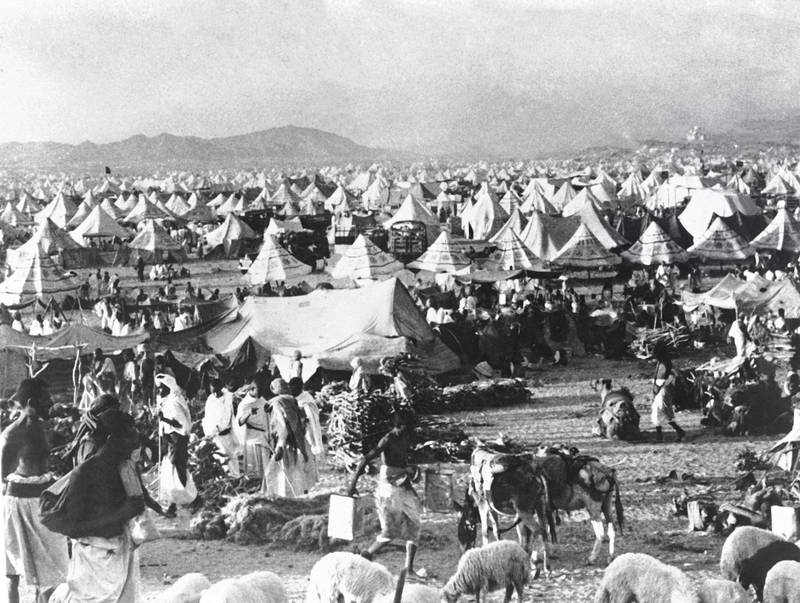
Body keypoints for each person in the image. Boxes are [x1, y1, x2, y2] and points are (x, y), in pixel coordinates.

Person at [48, 411, 144, 603]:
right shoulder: (84, 474)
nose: (135, 444)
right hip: (93, 559)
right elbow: (72, 528)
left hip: (120, 553)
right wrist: (121, 515)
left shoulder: (125, 469)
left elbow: (136, 505)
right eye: (129, 437)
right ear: (111, 439)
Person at [0, 378, 69, 603]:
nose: (51, 403)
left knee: (52, 572)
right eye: (45, 400)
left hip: (42, 503)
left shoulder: (43, 427)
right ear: (31, 402)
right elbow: (2, 476)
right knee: (12, 574)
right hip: (18, 505)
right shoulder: (11, 435)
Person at [347, 408, 424, 576]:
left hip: (403, 485)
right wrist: (353, 484)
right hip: (388, 488)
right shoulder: (388, 439)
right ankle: (366, 556)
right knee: (390, 532)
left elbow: (403, 460)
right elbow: (366, 459)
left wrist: (410, 471)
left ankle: (408, 569)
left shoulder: (406, 437)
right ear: (401, 425)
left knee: (415, 525)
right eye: (406, 426)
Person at [156, 373, 195, 515]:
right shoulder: (168, 401)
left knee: (176, 467)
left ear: (168, 387)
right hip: (173, 439)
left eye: (161, 388)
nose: (159, 391)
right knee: (176, 467)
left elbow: (180, 424)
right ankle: (178, 500)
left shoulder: (174, 403)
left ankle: (180, 500)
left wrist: (164, 420)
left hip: (178, 439)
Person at [263, 379, 308, 497]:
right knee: (294, 470)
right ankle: (297, 495)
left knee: (278, 473)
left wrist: (280, 446)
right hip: (296, 440)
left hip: (284, 442)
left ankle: (284, 497)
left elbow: (282, 425)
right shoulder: (292, 401)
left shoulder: (278, 403)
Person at [201, 379, 241, 477]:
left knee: (233, 457)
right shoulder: (210, 401)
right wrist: (211, 431)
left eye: (217, 391)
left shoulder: (228, 396)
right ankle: (225, 480)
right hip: (218, 435)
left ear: (221, 389)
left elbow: (229, 414)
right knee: (223, 459)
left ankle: (236, 478)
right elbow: (208, 419)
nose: (215, 394)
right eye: (213, 392)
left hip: (229, 433)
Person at [289, 377, 323, 487]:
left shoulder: (306, 399)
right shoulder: (291, 398)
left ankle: (310, 483)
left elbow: (311, 417)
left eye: (296, 387)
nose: (293, 390)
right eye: (292, 387)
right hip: (295, 432)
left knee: (308, 456)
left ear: (301, 387)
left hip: (307, 433)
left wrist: (303, 420)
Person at [650, 342, 685, 442]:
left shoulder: (665, 363)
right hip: (660, 390)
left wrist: (657, 384)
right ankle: (675, 432)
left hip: (663, 391)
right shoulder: (662, 363)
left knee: (662, 413)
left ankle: (674, 433)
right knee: (659, 413)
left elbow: (667, 378)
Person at [235, 380, 270, 479]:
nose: (261, 392)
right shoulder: (244, 404)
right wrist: (248, 413)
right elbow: (239, 422)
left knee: (266, 466)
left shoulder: (262, 400)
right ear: (252, 389)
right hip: (252, 438)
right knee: (255, 466)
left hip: (264, 435)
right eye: (260, 390)